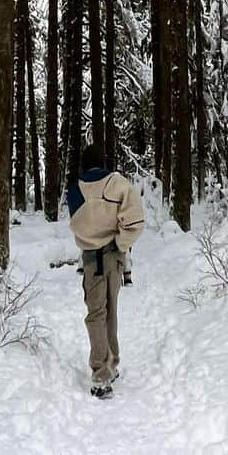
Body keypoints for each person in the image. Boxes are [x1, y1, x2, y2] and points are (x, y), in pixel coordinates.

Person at [66, 142, 145, 399]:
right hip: (114, 256)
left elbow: (77, 225)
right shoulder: (118, 184)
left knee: (96, 313)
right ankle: (111, 362)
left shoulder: (75, 189)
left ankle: (101, 373)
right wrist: (121, 245)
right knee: (110, 310)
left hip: (91, 258)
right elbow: (134, 222)